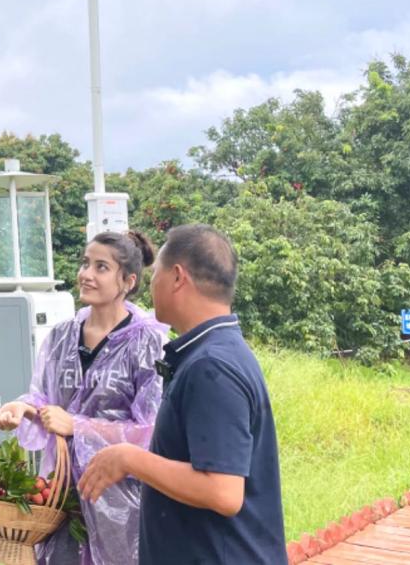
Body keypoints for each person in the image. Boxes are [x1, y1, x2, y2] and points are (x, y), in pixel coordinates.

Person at [77, 224, 288, 565]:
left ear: (177, 277)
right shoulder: (214, 351)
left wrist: (131, 459)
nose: (152, 285)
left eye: (156, 273)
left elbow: (222, 491)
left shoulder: (212, 366)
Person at [0, 230, 167, 565]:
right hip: (61, 495)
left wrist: (78, 426)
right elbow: (44, 398)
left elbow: (151, 430)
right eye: (85, 263)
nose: (86, 274)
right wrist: (22, 408)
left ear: (128, 281)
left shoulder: (147, 343)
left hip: (118, 498)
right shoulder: (61, 336)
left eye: (101, 267)